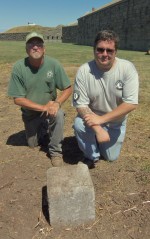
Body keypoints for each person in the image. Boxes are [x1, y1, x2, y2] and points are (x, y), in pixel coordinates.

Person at [73, 30, 139, 169]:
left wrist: (102, 120)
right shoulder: (84, 71)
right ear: (94, 50)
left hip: (116, 121)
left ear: (116, 52)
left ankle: (97, 139)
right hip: (92, 118)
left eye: (109, 50)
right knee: (79, 123)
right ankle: (91, 156)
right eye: (100, 49)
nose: (104, 54)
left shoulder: (127, 68)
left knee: (111, 157)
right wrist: (98, 127)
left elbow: (131, 103)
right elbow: (81, 105)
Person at [8, 32, 72, 167]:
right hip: (31, 115)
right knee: (33, 144)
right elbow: (18, 99)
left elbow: (67, 88)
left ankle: (55, 153)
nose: (35, 47)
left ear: (44, 48)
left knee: (59, 114)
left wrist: (57, 103)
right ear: (26, 49)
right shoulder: (19, 68)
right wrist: (43, 107)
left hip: (51, 111)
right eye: (31, 44)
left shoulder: (54, 64)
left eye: (38, 44)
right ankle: (43, 130)